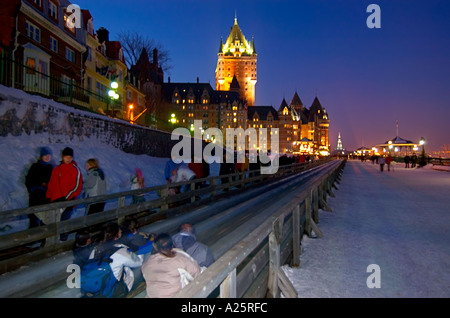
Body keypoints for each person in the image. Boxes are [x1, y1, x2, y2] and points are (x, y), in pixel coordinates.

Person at [141, 233, 201, 298]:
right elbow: (197, 273)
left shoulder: (145, 264)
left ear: (155, 246)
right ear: (172, 243)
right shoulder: (178, 257)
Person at [94, 222, 143, 296]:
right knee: (144, 265)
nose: (121, 231)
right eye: (119, 230)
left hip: (97, 285)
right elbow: (139, 262)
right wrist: (141, 250)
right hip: (115, 290)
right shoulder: (119, 251)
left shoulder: (96, 249)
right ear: (115, 235)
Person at [46, 147, 83, 241]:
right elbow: (51, 184)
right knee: (54, 221)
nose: (68, 159)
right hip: (55, 200)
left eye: (70, 157)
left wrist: (67, 197)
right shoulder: (56, 169)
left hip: (68, 201)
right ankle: (51, 239)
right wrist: (48, 197)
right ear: (62, 157)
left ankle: (62, 239)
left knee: (63, 221)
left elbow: (77, 187)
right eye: (66, 157)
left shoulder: (75, 170)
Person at [25, 146, 54, 228]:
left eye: (49, 155)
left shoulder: (50, 168)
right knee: (33, 220)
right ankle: (32, 239)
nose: (47, 157)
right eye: (45, 155)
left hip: (46, 198)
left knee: (45, 221)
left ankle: (43, 239)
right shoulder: (35, 167)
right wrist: (37, 186)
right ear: (41, 156)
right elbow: (29, 181)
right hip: (36, 197)